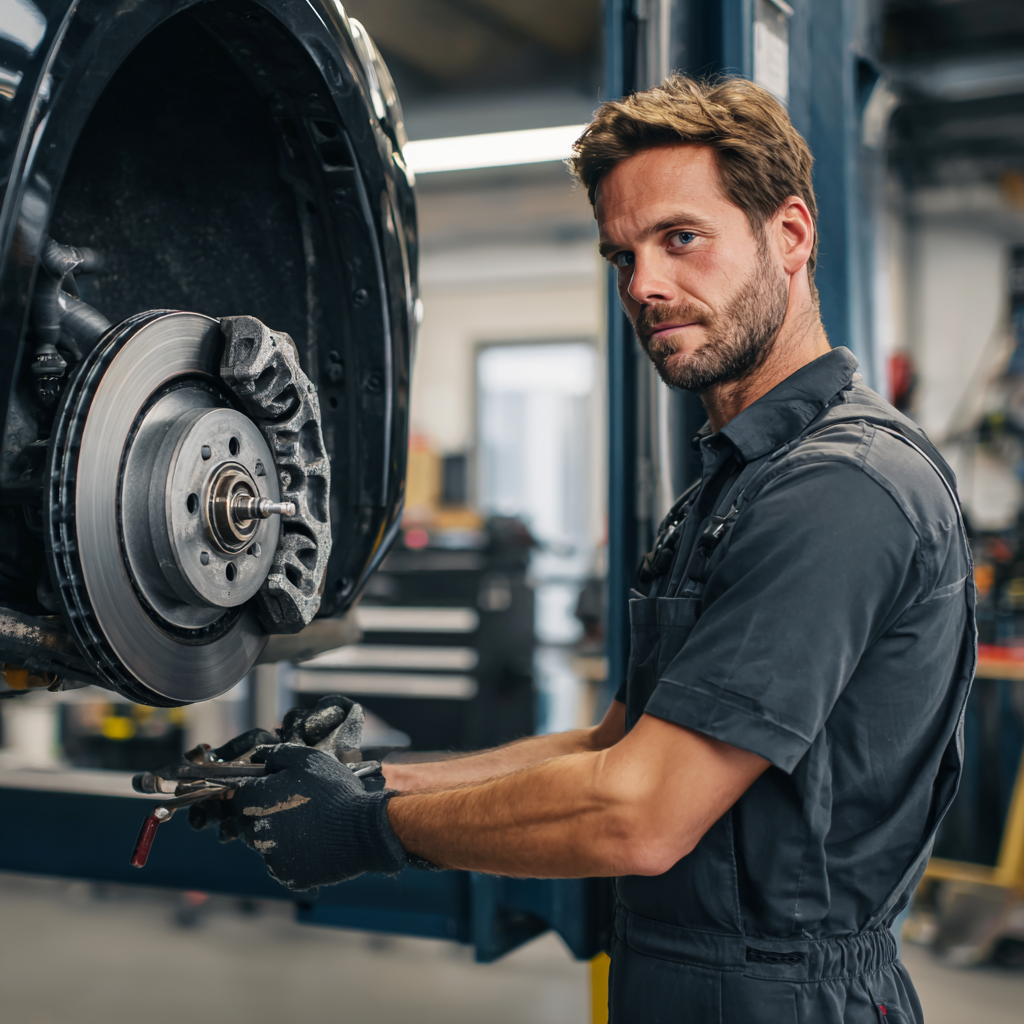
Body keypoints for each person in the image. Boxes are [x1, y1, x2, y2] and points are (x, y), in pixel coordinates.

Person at [192, 76, 975, 1023]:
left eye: (682, 238)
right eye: (623, 254)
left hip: (785, 998)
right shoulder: (735, 486)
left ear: (792, 236)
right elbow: (612, 747)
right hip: (691, 982)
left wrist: (370, 827)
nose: (644, 285)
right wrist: (370, 778)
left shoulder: (841, 490)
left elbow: (639, 811)